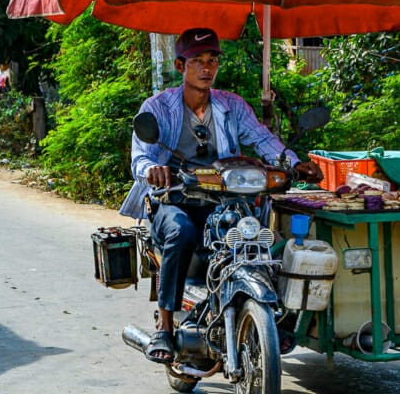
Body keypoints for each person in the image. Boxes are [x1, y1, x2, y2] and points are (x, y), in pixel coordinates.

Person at [119, 27, 322, 363]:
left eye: (212, 60)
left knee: (261, 236)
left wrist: (295, 162)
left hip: (225, 199)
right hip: (175, 198)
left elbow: (261, 139)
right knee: (181, 232)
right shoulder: (157, 107)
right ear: (180, 65)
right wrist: (151, 171)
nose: (206, 68)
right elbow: (140, 155)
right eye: (197, 61)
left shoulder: (231, 105)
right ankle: (165, 325)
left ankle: (272, 315)